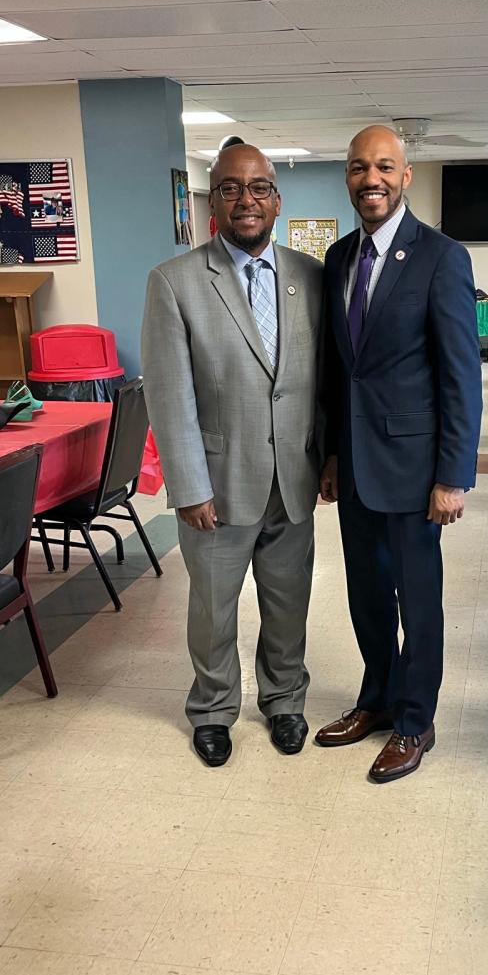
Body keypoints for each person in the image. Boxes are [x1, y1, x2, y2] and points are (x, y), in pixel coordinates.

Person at [141, 144, 323, 768]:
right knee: (213, 609)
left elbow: (320, 381)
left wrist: (325, 459)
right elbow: (168, 394)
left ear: (277, 198)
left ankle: (285, 699)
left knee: (288, 600)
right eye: (229, 189)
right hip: (216, 486)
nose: (246, 200)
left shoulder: (310, 276)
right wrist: (188, 485)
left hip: (293, 481)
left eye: (259, 188)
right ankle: (214, 709)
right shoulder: (175, 281)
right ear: (212, 200)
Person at [317, 125, 482, 782]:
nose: (371, 179)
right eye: (359, 167)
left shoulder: (441, 257)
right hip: (355, 465)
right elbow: (337, 369)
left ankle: (416, 720)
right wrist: (331, 454)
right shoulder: (336, 258)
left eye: (385, 166)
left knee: (417, 599)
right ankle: (377, 699)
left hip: (416, 472)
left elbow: (459, 374)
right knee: (365, 595)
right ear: (348, 176)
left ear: (406, 175)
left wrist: (453, 475)